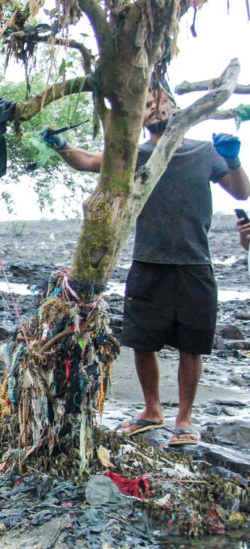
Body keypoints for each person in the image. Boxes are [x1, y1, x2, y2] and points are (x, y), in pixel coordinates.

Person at [44, 86, 249, 447]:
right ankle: (152, 410)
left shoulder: (205, 152)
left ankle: (184, 419)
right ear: (140, 116)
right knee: (142, 342)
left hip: (194, 263)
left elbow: (240, 191)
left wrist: (233, 160)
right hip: (147, 263)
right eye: (148, 104)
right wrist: (61, 146)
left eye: (160, 102)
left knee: (191, 345)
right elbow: (90, 161)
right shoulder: (138, 156)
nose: (154, 109)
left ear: (177, 108)